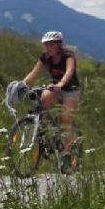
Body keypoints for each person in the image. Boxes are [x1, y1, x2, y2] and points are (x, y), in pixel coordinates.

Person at [22, 31, 80, 173]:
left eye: (52, 44)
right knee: (43, 104)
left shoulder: (68, 56)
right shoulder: (45, 57)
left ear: (59, 45)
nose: (49, 47)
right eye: (46, 44)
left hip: (70, 89)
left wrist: (60, 85)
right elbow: (34, 73)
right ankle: (45, 131)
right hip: (54, 88)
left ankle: (66, 154)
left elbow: (69, 73)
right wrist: (21, 84)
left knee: (66, 121)